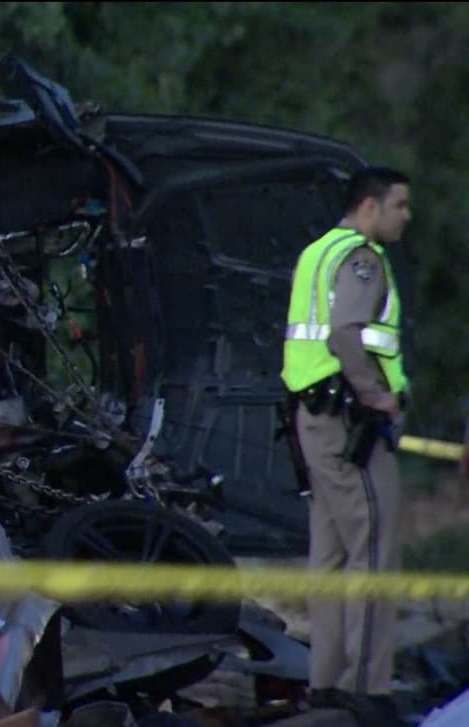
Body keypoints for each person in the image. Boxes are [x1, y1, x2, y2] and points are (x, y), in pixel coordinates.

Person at [280, 166, 412, 723]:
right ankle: (367, 690)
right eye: (399, 205)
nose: (406, 216)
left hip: (315, 418)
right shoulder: (362, 258)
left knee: (330, 554)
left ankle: (328, 683)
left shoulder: (317, 252)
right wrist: (377, 397)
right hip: (349, 422)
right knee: (375, 548)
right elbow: (345, 332)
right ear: (369, 207)